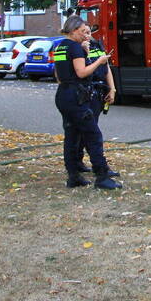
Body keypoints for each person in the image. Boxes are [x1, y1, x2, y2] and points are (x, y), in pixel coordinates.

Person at [53, 15, 121, 189]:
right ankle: (102, 177)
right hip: (76, 96)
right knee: (93, 135)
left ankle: (74, 176)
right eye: (83, 32)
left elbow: (59, 75)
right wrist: (100, 60)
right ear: (74, 30)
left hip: (64, 95)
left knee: (72, 135)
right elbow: (82, 72)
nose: (86, 36)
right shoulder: (75, 47)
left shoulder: (60, 47)